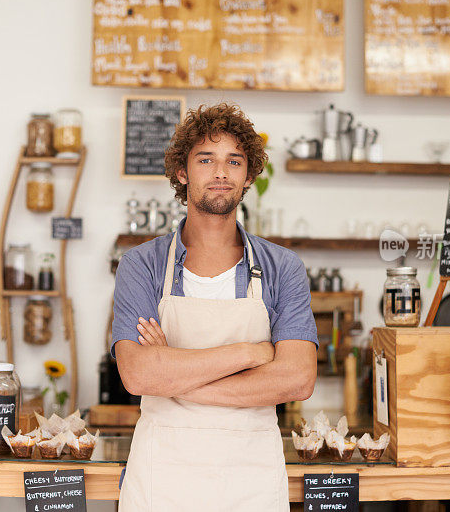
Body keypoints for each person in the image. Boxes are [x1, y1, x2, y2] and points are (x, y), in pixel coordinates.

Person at [112, 103, 318, 511]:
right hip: (162, 478)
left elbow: (297, 380)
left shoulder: (282, 268)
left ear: (247, 177)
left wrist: (173, 374)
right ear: (183, 173)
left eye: (234, 161)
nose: (221, 173)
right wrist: (249, 354)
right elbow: (137, 374)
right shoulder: (142, 265)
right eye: (206, 159)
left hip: (251, 479)